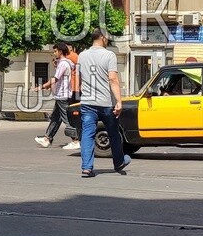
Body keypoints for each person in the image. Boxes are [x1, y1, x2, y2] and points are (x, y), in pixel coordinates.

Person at [75, 29, 131, 178]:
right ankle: (119, 162)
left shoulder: (82, 55)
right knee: (113, 132)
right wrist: (119, 101)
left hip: (87, 102)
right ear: (103, 38)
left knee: (87, 134)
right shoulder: (109, 55)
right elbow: (113, 79)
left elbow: (78, 79)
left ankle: (87, 167)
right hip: (105, 102)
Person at [35, 43, 75, 148]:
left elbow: (55, 79)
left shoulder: (63, 63)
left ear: (61, 51)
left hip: (63, 95)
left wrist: (42, 86)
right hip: (61, 95)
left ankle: (76, 140)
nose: (54, 53)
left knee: (67, 118)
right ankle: (47, 138)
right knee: (55, 118)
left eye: (55, 51)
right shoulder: (66, 63)